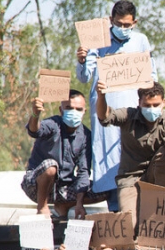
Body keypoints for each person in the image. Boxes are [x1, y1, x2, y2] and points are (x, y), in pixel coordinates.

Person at [76, 0, 157, 211]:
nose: (123, 29)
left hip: (133, 112)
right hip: (106, 111)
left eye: (127, 25)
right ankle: (116, 213)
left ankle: (138, 210)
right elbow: (84, 78)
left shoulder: (141, 41)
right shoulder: (98, 41)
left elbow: (152, 76)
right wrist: (82, 60)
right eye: (118, 24)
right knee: (108, 160)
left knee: (134, 157)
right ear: (111, 20)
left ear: (135, 22)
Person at [95, 80, 165, 225]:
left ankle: (160, 198)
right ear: (139, 103)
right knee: (130, 225)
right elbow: (104, 116)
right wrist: (101, 96)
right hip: (130, 179)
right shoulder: (128, 115)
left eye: (156, 105)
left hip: (158, 178)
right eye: (147, 105)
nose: (151, 109)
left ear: (164, 103)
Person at [21, 89, 107, 218]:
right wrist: (35, 114)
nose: (74, 112)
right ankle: (42, 208)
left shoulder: (85, 135)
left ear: (84, 112)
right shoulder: (53, 124)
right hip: (36, 186)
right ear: (61, 110)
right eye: (69, 108)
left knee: (105, 188)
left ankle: (64, 205)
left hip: (64, 189)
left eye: (78, 109)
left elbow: (83, 171)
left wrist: (79, 204)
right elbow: (35, 131)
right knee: (50, 166)